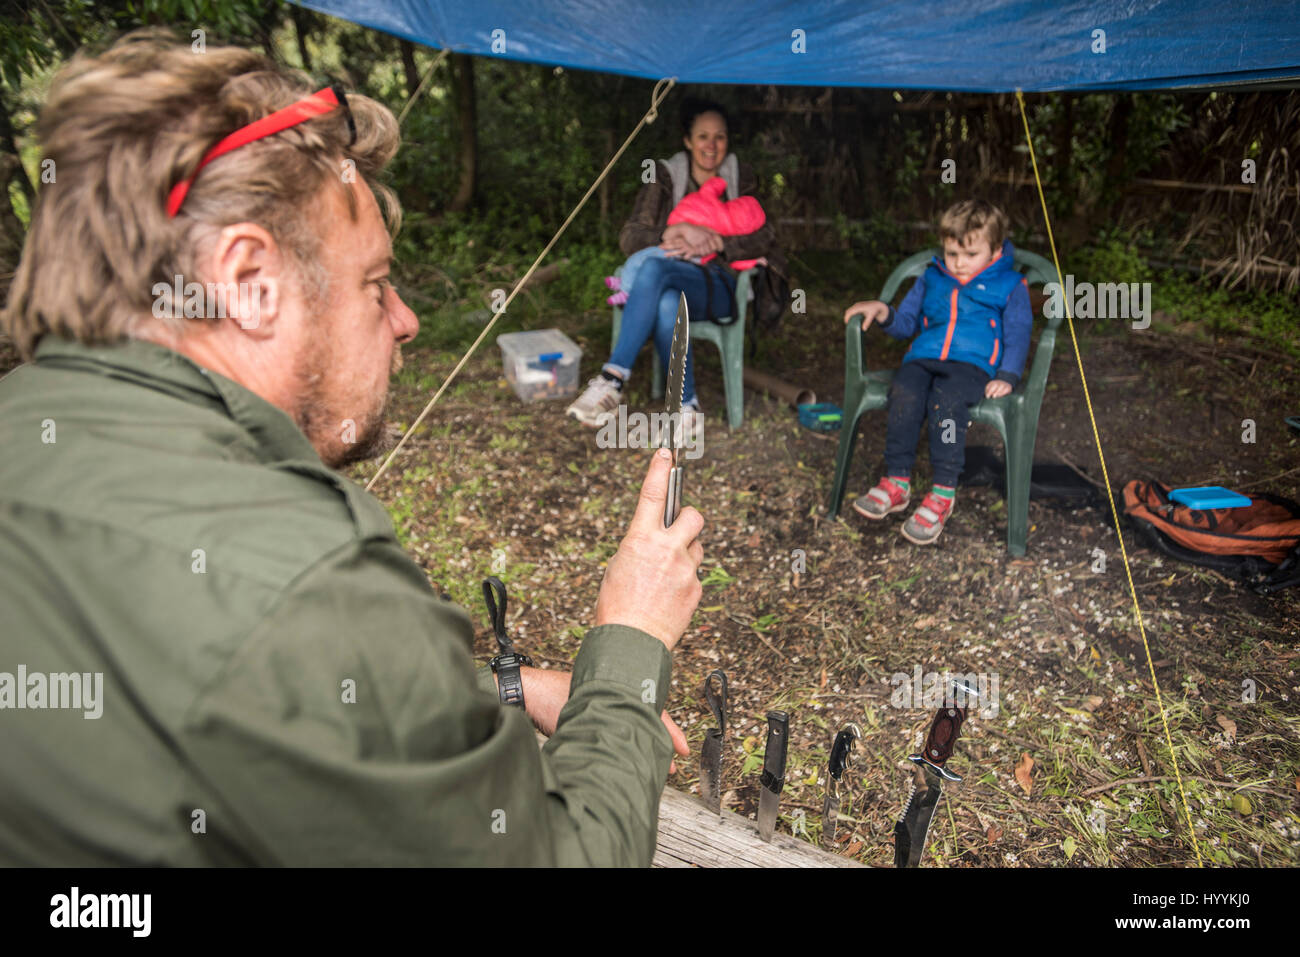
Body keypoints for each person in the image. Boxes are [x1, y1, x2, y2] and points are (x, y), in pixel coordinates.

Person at [0, 30, 704, 866]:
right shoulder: (308, 582)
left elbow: (197, 689)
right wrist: (630, 640)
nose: (405, 319)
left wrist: (501, 690)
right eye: (375, 283)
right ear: (249, 281)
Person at [566, 97, 785, 434]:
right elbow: (630, 237)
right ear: (687, 140)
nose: (711, 146)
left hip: (721, 286)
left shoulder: (740, 176)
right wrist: (674, 232)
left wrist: (720, 242)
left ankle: (613, 378)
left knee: (655, 271)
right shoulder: (666, 177)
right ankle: (688, 407)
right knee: (668, 301)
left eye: (720, 137)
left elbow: (767, 233)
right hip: (675, 286)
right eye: (702, 136)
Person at [841, 199, 1032, 545]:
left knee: (946, 407)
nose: (958, 264)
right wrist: (882, 310)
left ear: (995, 250)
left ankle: (943, 490)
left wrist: (1007, 375)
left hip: (971, 368)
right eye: (951, 253)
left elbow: (1018, 335)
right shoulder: (932, 277)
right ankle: (897, 481)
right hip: (924, 358)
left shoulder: (1010, 285)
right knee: (904, 395)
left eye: (970, 255)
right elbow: (905, 324)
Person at [602, 175, 767, 306]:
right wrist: (753, 261)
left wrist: (748, 259)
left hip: (693, 264)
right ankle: (625, 282)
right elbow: (630, 236)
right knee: (648, 266)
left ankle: (626, 289)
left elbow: (712, 187)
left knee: (646, 262)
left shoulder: (721, 218)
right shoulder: (725, 224)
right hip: (684, 254)